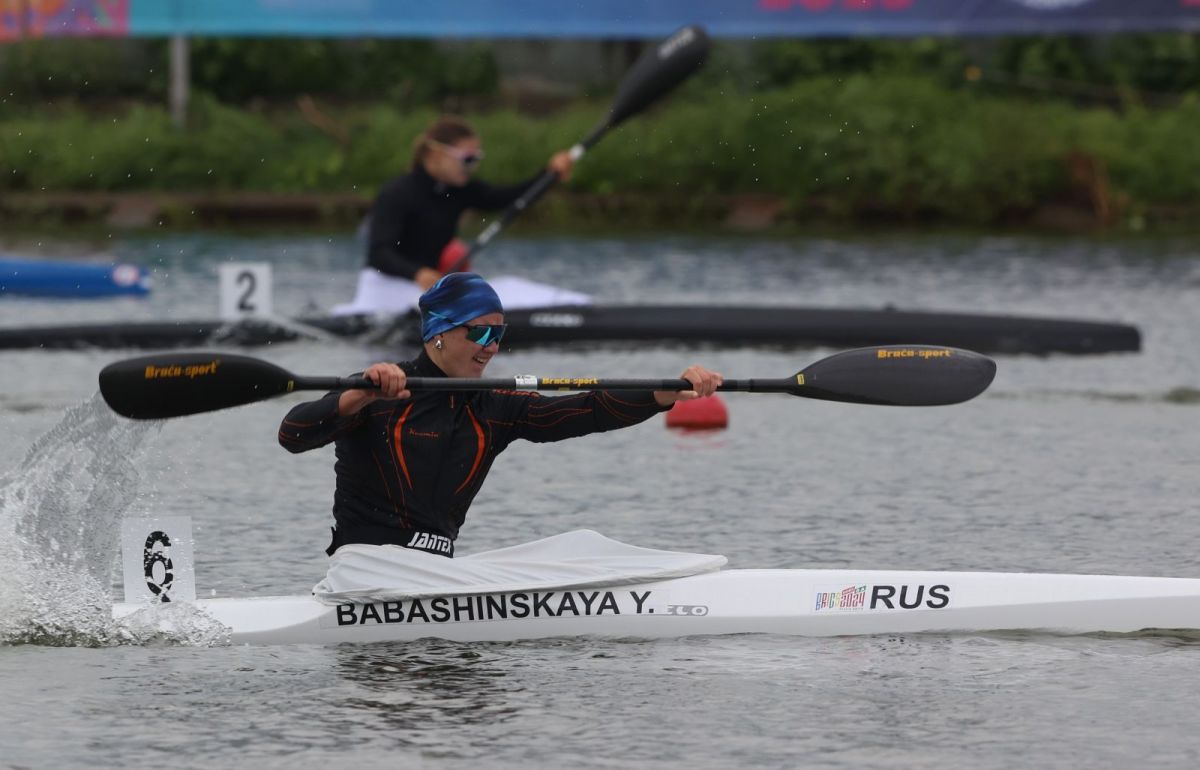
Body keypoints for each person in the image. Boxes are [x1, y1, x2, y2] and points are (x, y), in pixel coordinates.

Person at [281, 272, 723, 558]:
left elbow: (584, 410)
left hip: (432, 576)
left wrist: (663, 393)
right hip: (363, 573)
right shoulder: (381, 388)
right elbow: (293, 434)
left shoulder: (495, 406)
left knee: (578, 550)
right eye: (481, 331)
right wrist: (356, 396)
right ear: (439, 332)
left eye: (500, 333)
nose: (492, 346)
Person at [332, 116, 576, 315]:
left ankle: (576, 304)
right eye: (468, 159)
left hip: (425, 289)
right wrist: (418, 273)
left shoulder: (460, 190)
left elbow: (511, 198)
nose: (472, 166)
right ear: (436, 154)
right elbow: (379, 253)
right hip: (385, 289)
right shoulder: (397, 193)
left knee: (507, 287)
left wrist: (550, 174)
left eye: (477, 159)